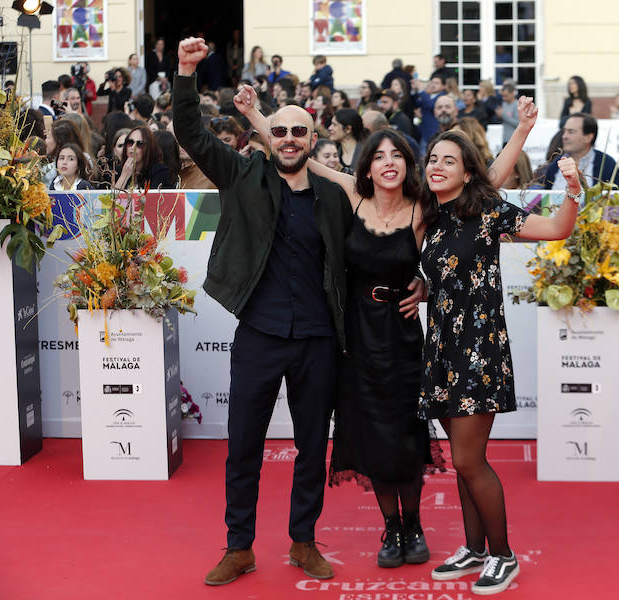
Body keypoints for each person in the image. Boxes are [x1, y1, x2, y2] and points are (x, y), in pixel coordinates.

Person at [173, 36, 424, 587]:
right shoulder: (242, 176)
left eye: (298, 132)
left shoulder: (336, 198)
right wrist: (187, 72)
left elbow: (381, 247)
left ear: (314, 138)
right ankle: (239, 546)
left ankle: (303, 541)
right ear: (268, 138)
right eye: (279, 131)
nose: (288, 140)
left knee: (313, 446)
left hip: (319, 341)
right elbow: (189, 132)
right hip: (259, 334)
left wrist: (420, 281)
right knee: (243, 446)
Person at [420, 104, 580, 595]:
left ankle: (504, 556)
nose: (437, 166)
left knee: (470, 460)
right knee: (459, 456)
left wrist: (573, 190)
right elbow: (437, 277)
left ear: (468, 172)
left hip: (479, 349)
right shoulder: (430, 216)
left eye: (449, 160)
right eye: (433, 158)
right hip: (442, 348)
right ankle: (474, 548)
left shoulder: (487, 210)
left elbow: (557, 230)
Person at [541, 113, 619, 188]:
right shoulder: (556, 164)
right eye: (564, 131)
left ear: (588, 138)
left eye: (571, 132)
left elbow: (614, 197)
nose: (564, 136)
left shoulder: (607, 165)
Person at [114, 125, 172, 189]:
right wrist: (124, 176)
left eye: (140, 144)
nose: (133, 147)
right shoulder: (117, 170)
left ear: (148, 147)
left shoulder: (160, 171)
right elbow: (111, 198)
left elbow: (153, 198)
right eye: (130, 142)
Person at [328, 108, 366, 175]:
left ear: (348, 129)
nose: (330, 128)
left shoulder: (365, 153)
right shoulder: (334, 151)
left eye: (334, 124)